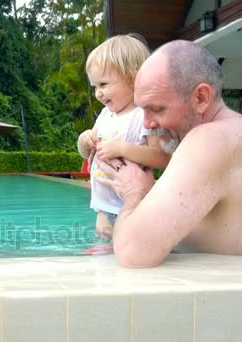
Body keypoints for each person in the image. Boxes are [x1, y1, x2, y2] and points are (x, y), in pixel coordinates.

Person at [93, 40, 242, 266]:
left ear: (201, 98)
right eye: (142, 109)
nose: (146, 124)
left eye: (156, 108)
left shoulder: (210, 139)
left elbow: (133, 253)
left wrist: (133, 195)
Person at [77, 35, 171, 239]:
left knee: (130, 252)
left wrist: (122, 149)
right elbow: (87, 154)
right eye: (95, 87)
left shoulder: (145, 115)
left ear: (133, 77)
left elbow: (162, 157)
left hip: (133, 206)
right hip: (103, 207)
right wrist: (84, 141)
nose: (98, 94)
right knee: (103, 257)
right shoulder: (105, 115)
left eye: (103, 84)